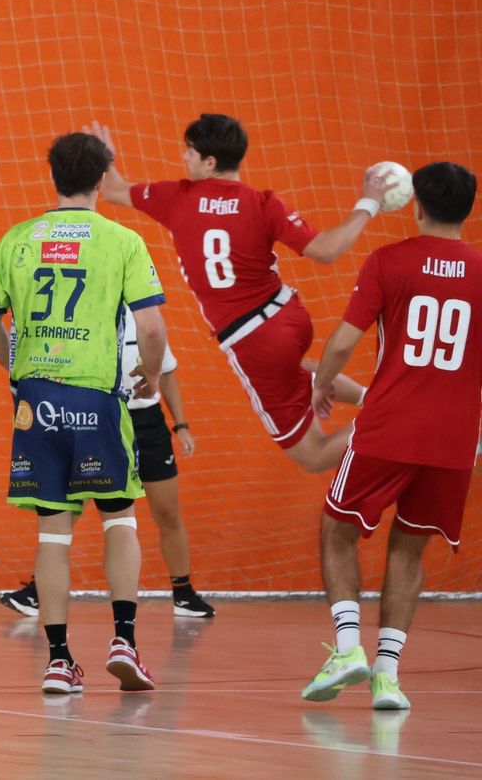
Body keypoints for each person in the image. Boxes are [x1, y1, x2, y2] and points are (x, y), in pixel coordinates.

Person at [0, 132, 167, 695]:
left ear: (52, 174)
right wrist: (151, 376)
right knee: (120, 520)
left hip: (36, 401)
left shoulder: (17, 240)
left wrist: (17, 368)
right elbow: (152, 327)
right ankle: (124, 641)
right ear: (103, 177)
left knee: (53, 535)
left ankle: (59, 660)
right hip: (97, 400)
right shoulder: (122, 240)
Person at [88, 114, 383, 472]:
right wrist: (368, 203)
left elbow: (114, 191)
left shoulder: (178, 197)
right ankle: (373, 399)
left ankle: (397, 417)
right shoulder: (264, 202)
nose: (184, 158)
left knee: (314, 455)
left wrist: (106, 158)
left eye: (190, 152)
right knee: (296, 371)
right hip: (288, 315)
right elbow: (326, 250)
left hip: (252, 339)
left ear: (209, 163)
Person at [301, 162, 481, 712]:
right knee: (410, 547)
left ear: (417, 205)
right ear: (468, 209)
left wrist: (323, 387)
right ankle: (387, 676)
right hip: (453, 441)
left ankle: (348, 648)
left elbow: (340, 343)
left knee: (337, 530)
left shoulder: (389, 261)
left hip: (387, 427)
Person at [0, 308, 215, 619]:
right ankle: (37, 591)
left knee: (167, 511)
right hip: (100, 417)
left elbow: (166, 374)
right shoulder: (85, 315)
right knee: (70, 506)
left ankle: (183, 591)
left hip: (146, 422)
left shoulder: (145, 319)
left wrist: (181, 425)